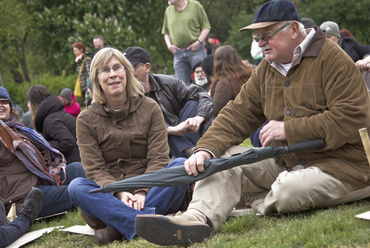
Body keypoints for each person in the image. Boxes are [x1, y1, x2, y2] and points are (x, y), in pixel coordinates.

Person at [134, 0, 370, 246]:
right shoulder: (266, 68)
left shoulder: (334, 60)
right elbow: (237, 114)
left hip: (342, 166)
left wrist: (289, 129)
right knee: (219, 162)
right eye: (257, 37)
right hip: (286, 162)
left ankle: (246, 202)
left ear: (293, 30)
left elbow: (352, 118)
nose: (260, 43)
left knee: (288, 191)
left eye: (267, 35)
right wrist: (205, 149)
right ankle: (196, 218)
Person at [67, 47, 189, 245]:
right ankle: (147, 222)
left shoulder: (150, 108)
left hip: (151, 189)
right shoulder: (85, 119)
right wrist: (120, 193)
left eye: (117, 67)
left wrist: (141, 190)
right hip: (110, 194)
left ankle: (117, 228)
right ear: (97, 78)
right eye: (105, 70)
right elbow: (94, 168)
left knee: (182, 165)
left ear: (126, 73)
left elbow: (158, 158)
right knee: (76, 187)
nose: (113, 74)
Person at [0, 86, 85, 220]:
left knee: (77, 168)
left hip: (41, 178)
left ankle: (117, 190)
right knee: (78, 189)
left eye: (4, 101)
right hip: (23, 196)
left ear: (10, 106)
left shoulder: (17, 129)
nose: (0, 105)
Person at [123, 46, 213, 158]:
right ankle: (189, 151)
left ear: (147, 67)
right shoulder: (124, 94)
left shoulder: (167, 82)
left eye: (131, 68)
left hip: (183, 132)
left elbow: (202, 95)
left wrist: (199, 117)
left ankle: (187, 151)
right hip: (153, 143)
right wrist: (171, 130)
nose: (126, 73)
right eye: (123, 69)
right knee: (160, 132)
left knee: (194, 102)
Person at [27, 85, 81, 164]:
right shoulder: (56, 113)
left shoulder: (50, 120)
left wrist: (43, 144)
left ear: (33, 103)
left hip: (76, 163)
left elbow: (68, 142)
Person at [162, 0, 211, 84]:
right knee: (181, 85)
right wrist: (169, 45)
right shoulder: (168, 10)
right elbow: (166, 32)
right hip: (178, 53)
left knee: (203, 82)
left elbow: (206, 27)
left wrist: (198, 42)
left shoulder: (195, 5)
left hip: (196, 51)